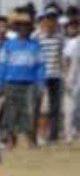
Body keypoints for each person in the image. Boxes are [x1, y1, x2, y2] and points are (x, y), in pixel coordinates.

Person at [0, 11, 44, 148]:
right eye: (21, 26)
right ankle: (10, 140)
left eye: (26, 26)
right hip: (11, 82)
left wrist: (41, 83)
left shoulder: (35, 45)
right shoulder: (8, 45)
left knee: (30, 111)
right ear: (16, 28)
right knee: (10, 112)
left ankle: (31, 139)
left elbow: (40, 65)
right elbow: (1, 65)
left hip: (29, 84)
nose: (24, 29)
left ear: (30, 28)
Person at [33, 8, 65, 143]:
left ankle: (53, 136)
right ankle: (37, 135)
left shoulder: (59, 36)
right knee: (39, 107)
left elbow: (61, 55)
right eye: (49, 18)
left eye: (54, 18)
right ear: (44, 19)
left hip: (55, 75)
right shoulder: (37, 36)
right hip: (41, 76)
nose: (52, 21)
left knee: (55, 107)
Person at [63, 16, 80, 142]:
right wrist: (66, 76)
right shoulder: (74, 43)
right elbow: (65, 60)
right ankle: (68, 133)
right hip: (74, 79)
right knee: (71, 107)